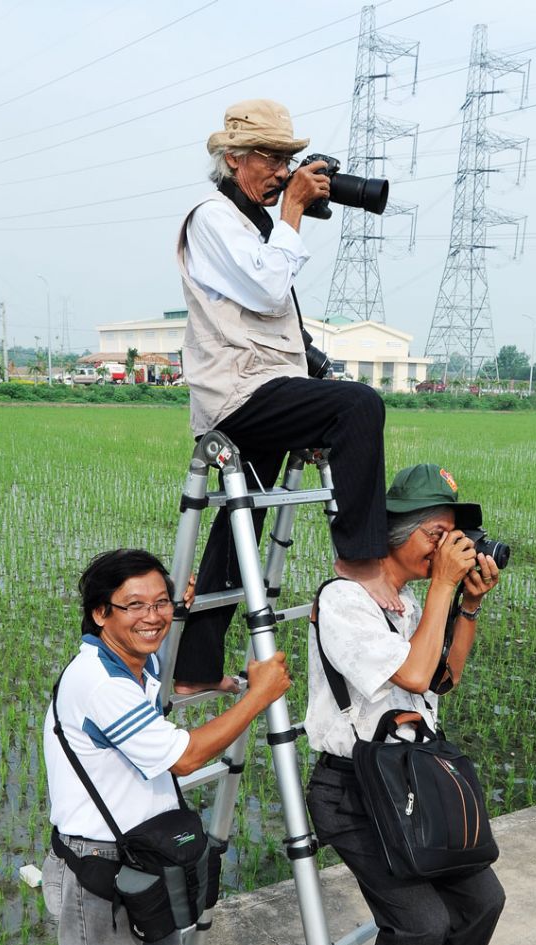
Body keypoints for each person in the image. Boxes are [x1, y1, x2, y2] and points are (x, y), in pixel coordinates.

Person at [41, 548, 290, 945]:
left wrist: (218, 668)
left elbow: (171, 683)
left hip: (141, 856)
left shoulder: (136, 660)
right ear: (100, 614)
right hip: (96, 869)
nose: (152, 617)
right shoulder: (96, 681)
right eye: (134, 606)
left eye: (161, 603)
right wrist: (257, 696)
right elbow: (181, 757)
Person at [173, 97, 396, 695]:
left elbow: (276, 322)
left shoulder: (254, 227)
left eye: (288, 160)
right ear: (234, 159)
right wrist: (295, 208)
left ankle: (192, 668)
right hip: (239, 393)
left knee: (236, 530)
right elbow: (270, 290)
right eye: (271, 159)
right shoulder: (210, 219)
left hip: (262, 387)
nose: (281, 171)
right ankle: (358, 562)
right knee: (360, 405)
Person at [304, 464, 506, 945]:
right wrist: (446, 587)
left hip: (411, 780)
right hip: (354, 790)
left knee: (483, 900)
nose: (445, 549)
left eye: (451, 538)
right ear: (395, 533)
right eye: (437, 535)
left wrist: (466, 601)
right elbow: (413, 676)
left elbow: (442, 676)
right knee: (422, 921)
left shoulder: (408, 603)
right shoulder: (342, 602)